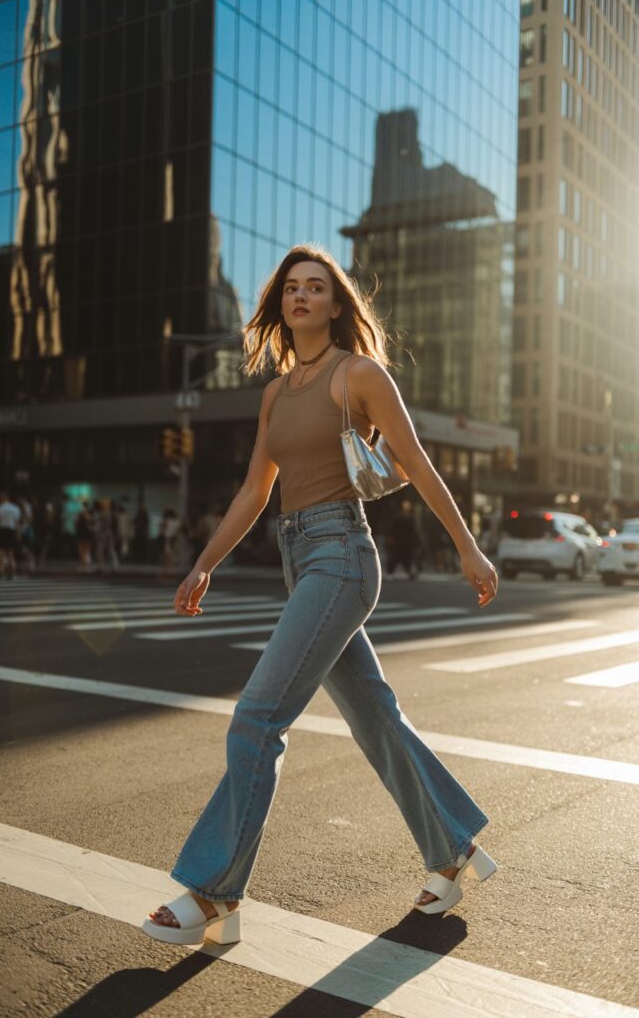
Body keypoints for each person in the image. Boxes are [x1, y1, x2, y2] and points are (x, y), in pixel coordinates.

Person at [142, 245, 498, 947]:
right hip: (298, 557)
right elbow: (256, 490)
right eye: (292, 289)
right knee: (377, 721)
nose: (302, 297)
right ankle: (453, 850)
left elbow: (416, 462)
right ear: (281, 305)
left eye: (316, 288)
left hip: (342, 556)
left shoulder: (357, 374)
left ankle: (216, 893)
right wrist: (204, 563)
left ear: (337, 305)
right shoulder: (276, 391)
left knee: (255, 720)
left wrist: (467, 544)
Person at [0, 491, 21, 579]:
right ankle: (12, 572)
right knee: (10, 553)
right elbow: (17, 523)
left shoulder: (0, 508)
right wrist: (18, 534)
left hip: (2, 530)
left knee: (0, 552)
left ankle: (1, 570)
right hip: (11, 530)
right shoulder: (15, 508)